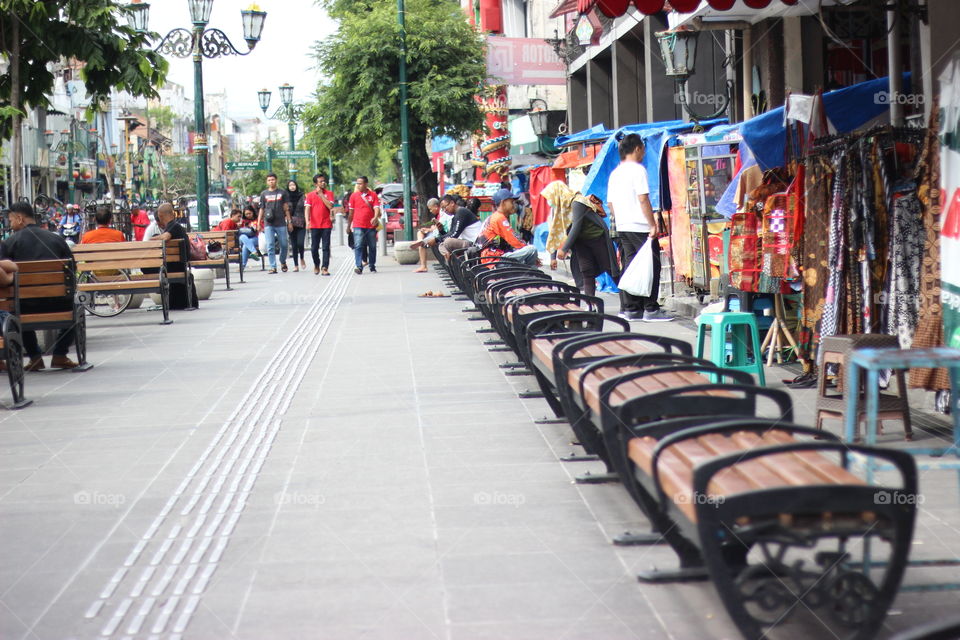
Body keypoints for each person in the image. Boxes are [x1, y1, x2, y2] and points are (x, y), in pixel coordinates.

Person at [0, 202, 78, 370]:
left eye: (11, 220)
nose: (10, 224)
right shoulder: (57, 239)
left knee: (16, 304)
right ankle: (59, 354)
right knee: (76, 306)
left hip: (24, 307)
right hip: (61, 304)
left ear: (20, 218)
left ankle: (35, 357)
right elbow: (72, 271)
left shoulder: (9, 243)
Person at [606, 133, 672, 322]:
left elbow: (610, 204)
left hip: (623, 225)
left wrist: (622, 218)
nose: (643, 151)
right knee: (651, 266)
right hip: (640, 226)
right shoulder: (638, 170)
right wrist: (652, 224)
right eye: (642, 148)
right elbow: (643, 199)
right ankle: (650, 308)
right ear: (637, 149)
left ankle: (632, 309)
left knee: (630, 265)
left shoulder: (615, 173)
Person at [556, 194, 619, 297]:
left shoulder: (577, 202)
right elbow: (557, 232)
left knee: (610, 269)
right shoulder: (562, 208)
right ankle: (590, 305)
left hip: (597, 238)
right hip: (581, 243)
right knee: (587, 272)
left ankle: (628, 304)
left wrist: (564, 249)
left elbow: (576, 226)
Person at [476, 188, 538, 265]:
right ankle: (532, 274)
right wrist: (533, 256)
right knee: (532, 250)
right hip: (494, 260)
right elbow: (516, 241)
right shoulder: (499, 218)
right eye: (512, 202)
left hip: (493, 258)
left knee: (527, 252)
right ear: (503, 203)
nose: (514, 205)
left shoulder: (496, 216)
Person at [155, 203, 196, 309]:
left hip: (174, 267)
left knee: (147, 268)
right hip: (180, 264)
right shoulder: (176, 226)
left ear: (160, 216)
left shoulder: (173, 226)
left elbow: (165, 237)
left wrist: (151, 240)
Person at [258, 173, 291, 274]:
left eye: (273, 179)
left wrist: (289, 222)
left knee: (284, 244)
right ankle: (273, 266)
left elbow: (286, 208)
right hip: (269, 223)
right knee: (270, 245)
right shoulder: (264, 194)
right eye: (269, 180)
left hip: (281, 222)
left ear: (276, 180)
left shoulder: (282, 192)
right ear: (266, 182)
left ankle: (282, 261)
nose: (271, 181)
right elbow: (261, 209)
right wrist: (259, 222)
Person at [347, 176, 381, 274]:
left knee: (372, 246)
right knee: (358, 245)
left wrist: (375, 217)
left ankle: (372, 265)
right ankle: (359, 266)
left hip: (370, 225)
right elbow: (351, 212)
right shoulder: (353, 196)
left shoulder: (373, 195)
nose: (358, 185)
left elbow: (376, 207)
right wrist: (349, 225)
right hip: (358, 224)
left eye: (360, 183)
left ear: (366, 184)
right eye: (357, 183)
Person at [304, 173, 335, 275]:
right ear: (315, 184)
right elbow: (307, 209)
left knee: (326, 247)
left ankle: (325, 267)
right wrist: (307, 221)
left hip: (326, 224)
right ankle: (316, 264)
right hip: (315, 225)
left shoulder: (329, 193)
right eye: (320, 181)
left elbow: (330, 206)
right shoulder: (310, 195)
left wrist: (321, 195)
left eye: (324, 181)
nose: (323, 183)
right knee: (314, 248)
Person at [439, 194, 482, 259]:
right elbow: (451, 233)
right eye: (443, 209)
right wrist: (441, 230)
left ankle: (451, 264)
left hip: (475, 243)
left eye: (445, 207)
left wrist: (436, 239)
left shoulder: (462, 212)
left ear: (452, 203)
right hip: (467, 242)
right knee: (443, 244)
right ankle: (452, 264)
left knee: (446, 243)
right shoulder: (455, 216)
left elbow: (454, 235)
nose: (445, 210)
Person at [411, 198, 444, 273]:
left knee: (422, 245)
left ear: (436, 206)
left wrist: (429, 229)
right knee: (420, 232)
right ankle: (419, 240)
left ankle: (423, 266)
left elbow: (440, 227)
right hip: (434, 232)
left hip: (438, 234)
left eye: (431, 209)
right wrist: (428, 229)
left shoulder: (442, 214)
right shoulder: (437, 215)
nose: (430, 211)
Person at [286, 180, 307, 271]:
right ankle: (296, 265)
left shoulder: (302, 195)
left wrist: (308, 220)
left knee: (300, 243)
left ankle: (302, 257)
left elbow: (306, 208)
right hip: (291, 223)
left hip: (302, 222)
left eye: (293, 185)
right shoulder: (286, 197)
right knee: (294, 245)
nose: (292, 187)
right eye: (290, 185)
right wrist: (288, 221)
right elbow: (285, 210)